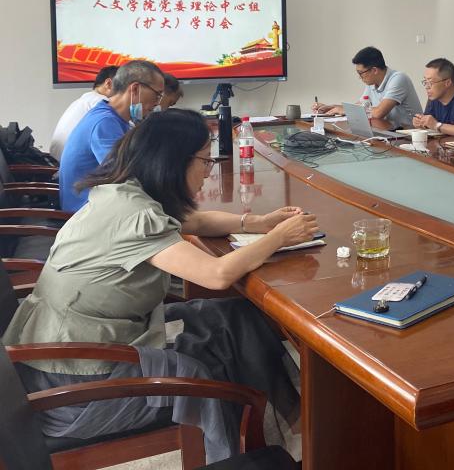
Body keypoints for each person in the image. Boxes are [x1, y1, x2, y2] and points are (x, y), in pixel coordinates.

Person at [3, 109, 319, 463]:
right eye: (205, 161)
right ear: (173, 161)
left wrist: (258, 222)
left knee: (233, 317)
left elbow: (195, 221)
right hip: (75, 385)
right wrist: (279, 237)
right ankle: (236, 459)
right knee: (211, 363)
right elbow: (216, 275)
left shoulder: (124, 194)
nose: (208, 171)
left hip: (79, 349)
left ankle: (300, 426)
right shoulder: (135, 215)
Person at [58, 60, 165, 212]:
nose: (157, 103)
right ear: (135, 89)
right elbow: (124, 176)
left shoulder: (114, 118)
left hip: (100, 202)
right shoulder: (105, 122)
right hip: (85, 210)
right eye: (157, 95)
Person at [310, 46, 422, 129]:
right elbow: (358, 106)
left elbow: (378, 113)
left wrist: (344, 110)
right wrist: (331, 107)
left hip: (408, 136)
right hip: (388, 131)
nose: (360, 77)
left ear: (374, 70)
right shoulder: (372, 83)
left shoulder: (398, 79)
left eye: (361, 73)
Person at [49, 65, 118, 160]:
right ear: (108, 84)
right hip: (68, 164)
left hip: (56, 162)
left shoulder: (84, 100)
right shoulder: (100, 102)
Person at [412, 57, 454, 136]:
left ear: (447, 83)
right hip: (440, 143)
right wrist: (421, 123)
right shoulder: (434, 99)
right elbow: (430, 124)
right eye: (425, 82)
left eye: (430, 82)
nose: (427, 87)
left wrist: (437, 125)